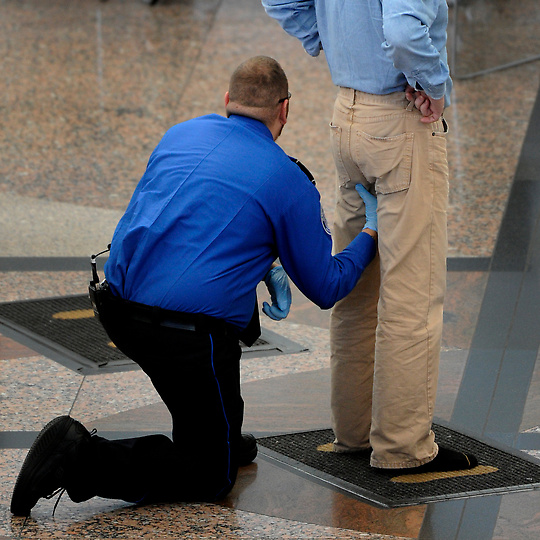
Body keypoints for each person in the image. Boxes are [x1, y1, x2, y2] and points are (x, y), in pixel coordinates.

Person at [11, 55, 379, 516]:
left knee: (218, 367)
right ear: (285, 110)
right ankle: (79, 457)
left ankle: (218, 434)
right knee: (211, 474)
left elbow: (182, 215)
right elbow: (327, 287)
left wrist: (262, 257)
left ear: (227, 100)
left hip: (115, 305)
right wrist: (371, 232)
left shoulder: (181, 133)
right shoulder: (288, 179)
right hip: (184, 334)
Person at [262, 1, 478, 473]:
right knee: (411, 293)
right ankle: (403, 447)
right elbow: (403, 32)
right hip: (400, 119)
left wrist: (329, 38)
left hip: (347, 115)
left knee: (358, 290)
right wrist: (433, 83)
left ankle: (354, 433)